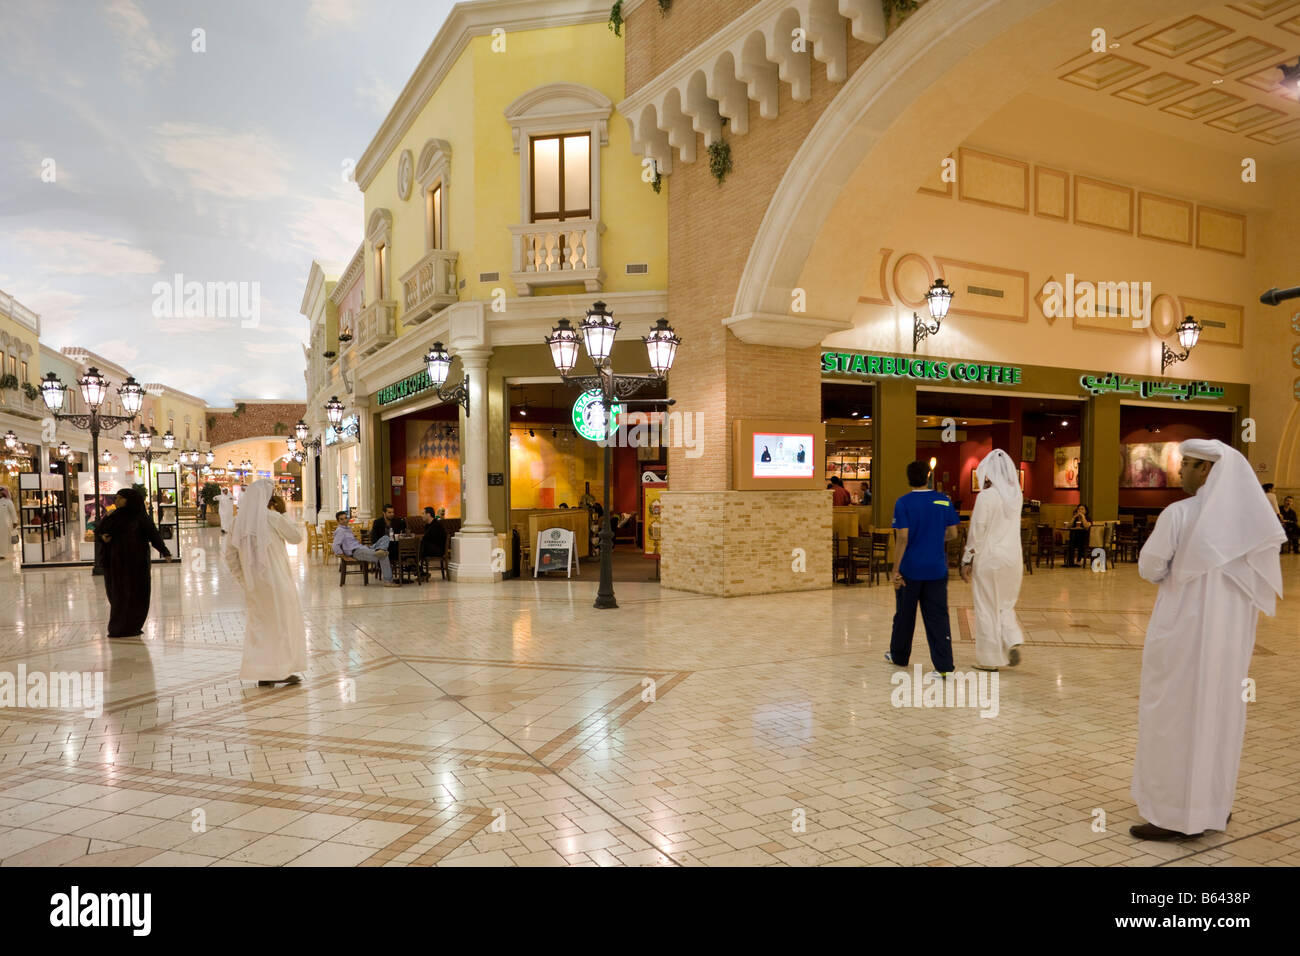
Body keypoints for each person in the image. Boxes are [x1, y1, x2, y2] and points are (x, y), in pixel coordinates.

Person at [1130, 439, 1284, 840]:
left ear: (1208, 471)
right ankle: (1213, 806)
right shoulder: (1253, 523)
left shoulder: (1179, 514)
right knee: (1219, 714)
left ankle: (1173, 816)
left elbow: (1149, 567)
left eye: (1188, 465)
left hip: (1183, 635)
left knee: (1174, 717)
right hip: (1230, 643)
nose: (1180, 472)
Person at [225, 480, 307, 687]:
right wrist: (284, 512)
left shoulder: (237, 522)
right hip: (278, 582)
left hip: (255, 586)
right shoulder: (272, 517)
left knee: (259, 627)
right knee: (281, 625)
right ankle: (280, 669)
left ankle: (265, 671)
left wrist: (244, 580)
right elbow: (296, 537)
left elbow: (230, 555)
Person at [885, 460, 960, 677]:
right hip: (937, 570)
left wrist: (894, 570)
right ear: (928, 476)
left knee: (904, 615)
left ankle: (899, 656)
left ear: (908, 477)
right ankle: (944, 667)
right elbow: (953, 534)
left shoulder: (903, 503)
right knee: (938, 617)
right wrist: (936, 539)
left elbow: (902, 538)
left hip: (910, 570)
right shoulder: (943, 500)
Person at [960, 450, 1025, 671]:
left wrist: (967, 558)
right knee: (1005, 603)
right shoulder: (1016, 496)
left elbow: (977, 529)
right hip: (1013, 559)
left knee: (986, 607)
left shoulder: (986, 497)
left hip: (989, 559)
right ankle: (1012, 637)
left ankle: (989, 659)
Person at [96, 487, 173, 637]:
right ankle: (118, 627)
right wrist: (102, 537)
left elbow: (153, 535)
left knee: (137, 594)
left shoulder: (140, 518)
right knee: (118, 594)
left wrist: (165, 552)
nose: (116, 501)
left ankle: (133, 625)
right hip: (116, 564)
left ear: (129, 500)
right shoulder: (113, 516)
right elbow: (100, 531)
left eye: (119, 498)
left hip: (136, 564)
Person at [332, 510, 397, 586]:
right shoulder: (340, 531)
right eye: (341, 519)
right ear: (338, 521)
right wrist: (345, 557)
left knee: (386, 537)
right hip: (356, 552)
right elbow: (335, 546)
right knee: (383, 555)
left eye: (345, 518)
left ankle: (381, 549)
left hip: (364, 548)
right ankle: (388, 581)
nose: (344, 520)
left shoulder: (347, 529)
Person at [0, 487, 17, 561]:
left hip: (5, 524)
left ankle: (2, 554)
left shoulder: (8, 502)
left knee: (4, 539)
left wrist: (15, 521)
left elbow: (13, 512)